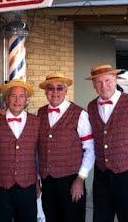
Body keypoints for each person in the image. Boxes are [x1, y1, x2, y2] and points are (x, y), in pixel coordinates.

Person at [86, 64, 128, 222]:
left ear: (115, 79)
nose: (104, 86)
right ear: (93, 85)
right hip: (102, 176)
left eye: (107, 80)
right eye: (98, 82)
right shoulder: (91, 107)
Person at [38, 73, 95, 222]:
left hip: (71, 181)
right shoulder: (40, 113)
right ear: (45, 91)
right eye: (50, 88)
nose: (55, 92)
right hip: (47, 181)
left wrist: (80, 179)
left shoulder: (79, 114)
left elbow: (90, 148)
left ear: (66, 90)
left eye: (59, 88)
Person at [0, 79, 39, 222]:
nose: (17, 100)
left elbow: (40, 154)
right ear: (7, 99)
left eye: (21, 96)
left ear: (26, 100)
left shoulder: (37, 122)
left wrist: (39, 182)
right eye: (13, 96)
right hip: (0, 186)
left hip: (27, 186)